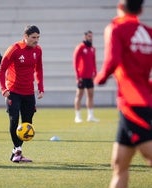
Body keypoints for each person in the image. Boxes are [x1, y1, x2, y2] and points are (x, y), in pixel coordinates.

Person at [94, 0, 152, 187]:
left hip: (132, 102)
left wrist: (100, 78)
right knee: (119, 164)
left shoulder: (116, 28)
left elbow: (113, 60)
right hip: (140, 100)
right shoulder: (149, 33)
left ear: (120, 7)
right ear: (141, 10)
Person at [0, 25, 44, 163]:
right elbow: (1, 69)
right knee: (14, 120)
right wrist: (3, 89)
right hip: (13, 91)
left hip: (29, 92)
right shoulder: (14, 49)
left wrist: (40, 87)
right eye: (33, 37)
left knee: (27, 124)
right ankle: (18, 150)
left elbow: (39, 69)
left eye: (38, 37)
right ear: (25, 37)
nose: (36, 40)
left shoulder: (38, 50)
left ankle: (15, 152)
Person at [73, 30, 99, 123]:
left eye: (91, 36)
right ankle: (77, 116)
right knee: (79, 95)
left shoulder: (92, 48)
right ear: (85, 37)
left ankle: (90, 116)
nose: (90, 38)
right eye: (89, 36)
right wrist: (77, 76)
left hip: (90, 76)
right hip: (82, 76)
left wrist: (95, 73)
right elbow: (75, 62)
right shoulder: (80, 47)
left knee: (90, 95)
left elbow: (93, 62)